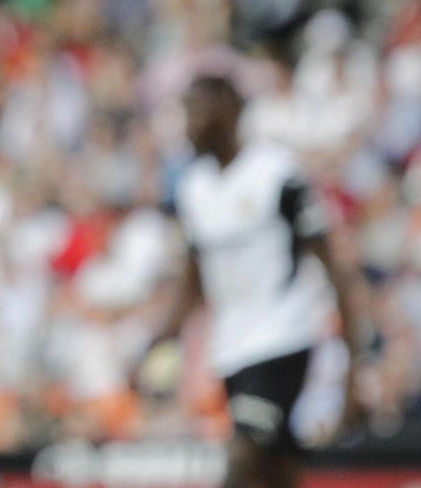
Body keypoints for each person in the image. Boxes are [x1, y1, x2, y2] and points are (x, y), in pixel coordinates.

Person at [150, 74, 366, 488]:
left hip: (283, 337)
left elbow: (332, 267)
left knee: (243, 456)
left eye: (197, 110)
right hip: (231, 348)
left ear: (229, 112)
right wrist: (158, 337)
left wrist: (352, 373)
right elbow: (194, 280)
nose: (189, 124)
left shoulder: (276, 175)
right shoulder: (194, 189)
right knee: (277, 472)